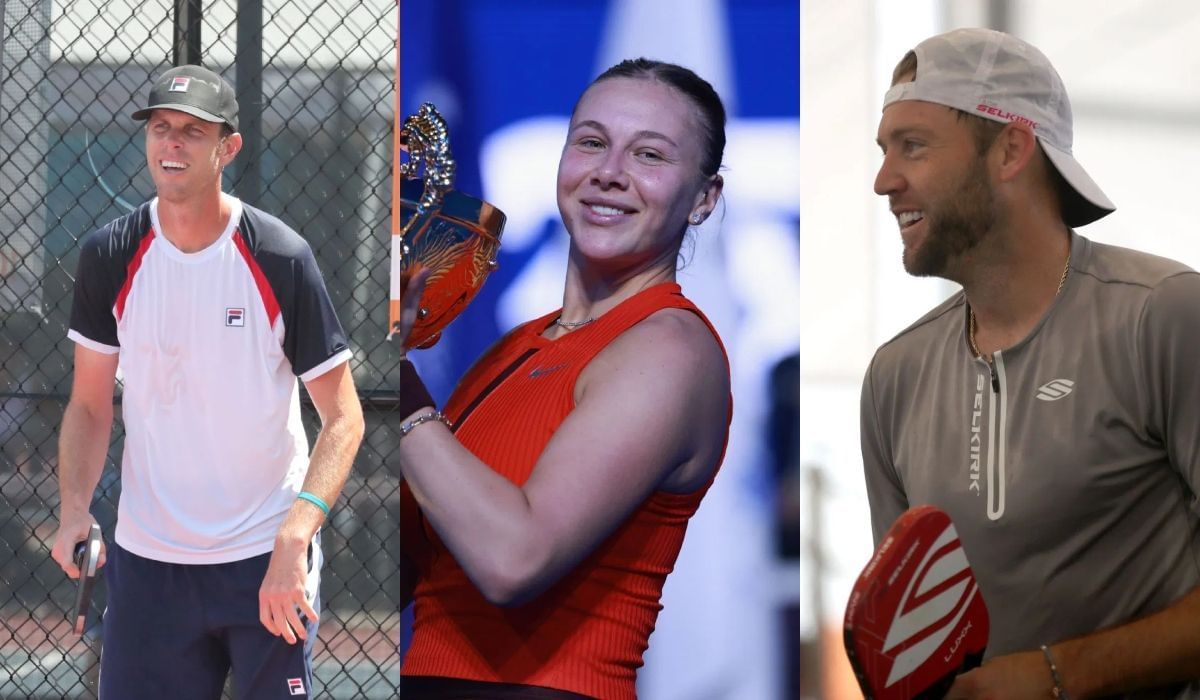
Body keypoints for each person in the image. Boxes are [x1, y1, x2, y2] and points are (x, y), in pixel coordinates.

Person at [861, 27, 1200, 699]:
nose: (883, 181)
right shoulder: (892, 378)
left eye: (914, 146)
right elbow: (904, 643)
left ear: (1010, 148)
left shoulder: (1163, 316)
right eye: (885, 150)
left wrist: (1052, 677)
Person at [393, 58, 732, 699]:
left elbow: (513, 560)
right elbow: (405, 569)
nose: (609, 172)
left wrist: (398, 381)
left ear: (703, 199)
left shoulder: (670, 348)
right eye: (592, 141)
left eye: (650, 155)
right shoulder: (512, 349)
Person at [50, 64, 364, 699]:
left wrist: (294, 539)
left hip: (263, 560)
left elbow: (344, 418)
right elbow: (88, 406)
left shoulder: (280, 256)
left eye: (193, 132)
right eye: (161, 128)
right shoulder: (110, 254)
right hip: (148, 566)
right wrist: (74, 510)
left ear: (228, 147)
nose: (172, 144)